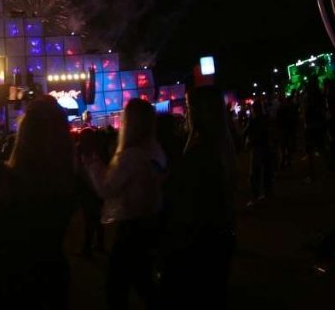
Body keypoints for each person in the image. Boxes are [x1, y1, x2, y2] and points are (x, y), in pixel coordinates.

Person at [0, 90, 76, 309]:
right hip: (51, 277)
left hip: (7, 277)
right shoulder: (70, 180)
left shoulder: (10, 180)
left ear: (24, 136)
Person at [163, 86, 237, 306]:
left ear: (200, 110)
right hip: (221, 228)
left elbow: (191, 194)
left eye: (188, 106)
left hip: (203, 233)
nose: (186, 113)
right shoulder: (221, 141)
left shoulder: (201, 148)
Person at [91, 98, 165, 310]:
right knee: (142, 281)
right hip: (151, 220)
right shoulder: (155, 151)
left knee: (117, 287)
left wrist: (92, 164)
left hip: (132, 227)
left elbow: (107, 189)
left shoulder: (131, 156)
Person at [75, 128, 107, 257]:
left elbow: (80, 171)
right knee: (97, 218)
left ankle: (87, 248)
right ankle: (99, 245)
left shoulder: (81, 151)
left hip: (88, 190)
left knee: (89, 219)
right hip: (96, 190)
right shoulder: (98, 151)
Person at [244, 99, 274, 205]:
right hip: (266, 146)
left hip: (257, 147)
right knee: (266, 171)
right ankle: (267, 193)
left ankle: (256, 195)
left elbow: (245, 132)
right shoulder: (266, 118)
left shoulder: (253, 120)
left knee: (255, 173)